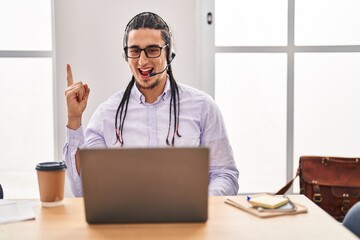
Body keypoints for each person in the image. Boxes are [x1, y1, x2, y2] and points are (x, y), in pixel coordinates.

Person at [64, 12, 239, 197]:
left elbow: (225, 175)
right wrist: (74, 120)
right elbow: (82, 190)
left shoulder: (203, 107)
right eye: (134, 51)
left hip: (187, 222)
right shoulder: (105, 115)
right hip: (126, 223)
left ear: (169, 53)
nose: (142, 61)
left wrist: (201, 204)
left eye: (152, 50)